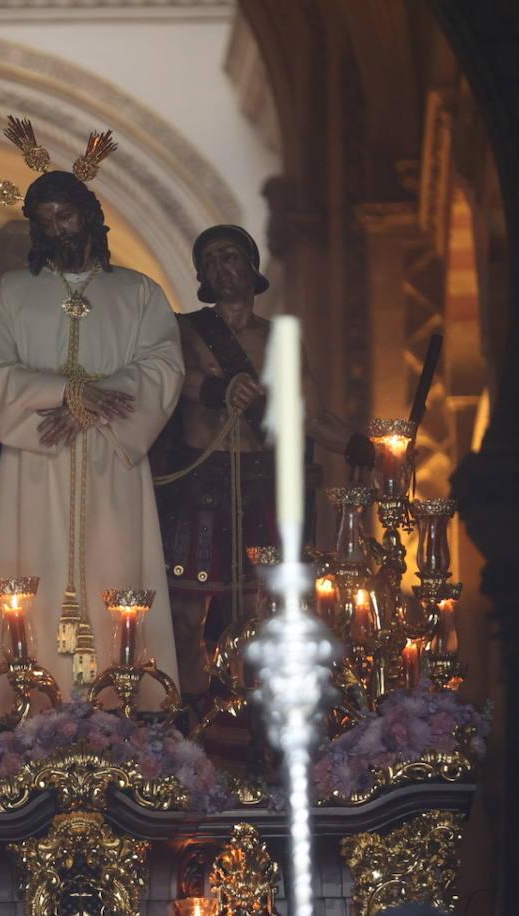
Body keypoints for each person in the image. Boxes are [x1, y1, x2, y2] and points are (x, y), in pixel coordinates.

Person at [0, 171, 185, 708]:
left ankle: (126, 704)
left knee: (118, 569)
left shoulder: (139, 293)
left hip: (113, 463)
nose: (58, 230)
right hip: (37, 461)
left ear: (89, 213)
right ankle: (27, 707)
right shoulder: (12, 291)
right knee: (31, 570)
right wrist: (68, 393)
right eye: (45, 222)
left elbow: (162, 368)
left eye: (65, 215)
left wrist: (93, 405)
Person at [155, 224, 373, 702]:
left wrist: (358, 444)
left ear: (251, 267)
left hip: (259, 486)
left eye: (230, 255)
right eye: (209, 260)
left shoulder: (281, 340)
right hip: (198, 484)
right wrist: (216, 389)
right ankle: (189, 719)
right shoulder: (184, 329)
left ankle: (247, 723)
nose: (220, 266)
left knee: (256, 613)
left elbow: (311, 418)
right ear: (201, 276)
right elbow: (166, 382)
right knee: (185, 615)